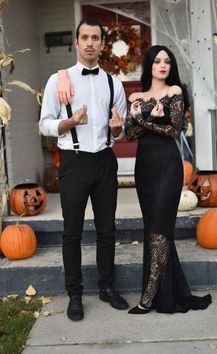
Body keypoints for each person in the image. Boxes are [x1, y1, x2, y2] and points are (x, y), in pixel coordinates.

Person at [39, 18, 129, 322]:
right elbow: (45, 124)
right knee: (71, 233)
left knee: (107, 230)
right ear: (77, 42)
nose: (90, 42)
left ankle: (107, 286)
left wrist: (117, 130)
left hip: (104, 160)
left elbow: (121, 131)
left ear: (101, 44)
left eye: (95, 37)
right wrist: (69, 123)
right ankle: (74, 295)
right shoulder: (58, 80)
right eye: (85, 37)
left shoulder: (113, 83)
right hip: (74, 161)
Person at [125, 45, 212, 314]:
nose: (163, 65)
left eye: (168, 61)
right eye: (158, 61)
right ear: (149, 65)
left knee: (160, 232)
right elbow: (129, 135)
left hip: (168, 167)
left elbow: (173, 131)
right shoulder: (136, 96)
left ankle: (148, 298)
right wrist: (145, 117)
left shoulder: (175, 92)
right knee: (154, 231)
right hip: (144, 169)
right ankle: (167, 293)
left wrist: (143, 118)